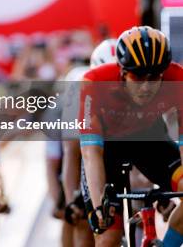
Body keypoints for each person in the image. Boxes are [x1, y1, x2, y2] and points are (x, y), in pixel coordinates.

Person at [79, 26, 183, 247]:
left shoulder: (178, 79)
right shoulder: (94, 82)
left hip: (149, 141)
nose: (146, 86)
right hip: (107, 149)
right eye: (138, 76)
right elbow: (91, 152)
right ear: (122, 71)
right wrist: (100, 207)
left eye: (154, 76)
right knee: (108, 236)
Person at [61, 38, 116, 247]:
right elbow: (73, 154)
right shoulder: (79, 88)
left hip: (114, 145)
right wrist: (71, 200)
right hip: (84, 147)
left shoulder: (135, 82)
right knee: (83, 219)